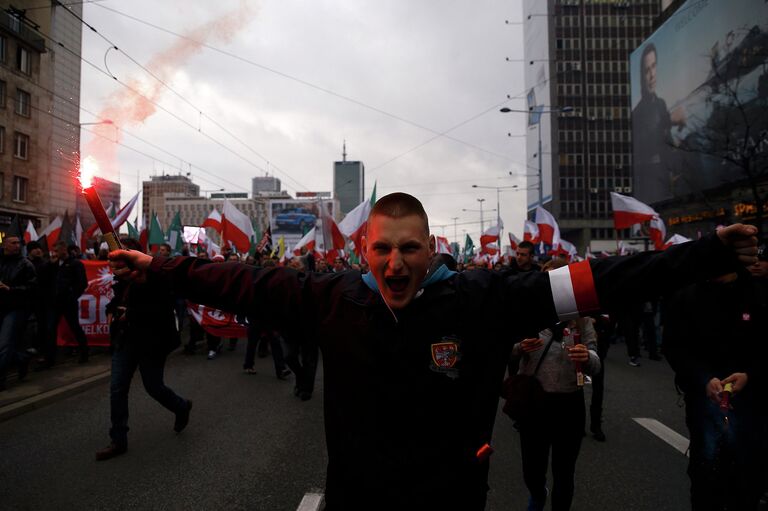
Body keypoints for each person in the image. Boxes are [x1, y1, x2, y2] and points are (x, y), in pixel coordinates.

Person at [109, 192, 757, 510]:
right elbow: (242, 281)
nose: (395, 263)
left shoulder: (484, 299)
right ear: (366, 252)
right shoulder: (333, 300)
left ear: (430, 249)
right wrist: (162, 267)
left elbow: (600, 281)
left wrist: (706, 252)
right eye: (382, 249)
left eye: (408, 249)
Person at [662, 270, 767, 509]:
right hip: (704, 399)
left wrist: (750, 375)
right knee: (706, 469)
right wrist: (703, 379)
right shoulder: (687, 294)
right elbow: (674, 346)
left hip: (752, 398)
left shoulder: (758, 292)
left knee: (749, 470)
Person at [512, 257, 601, 510]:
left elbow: (596, 361)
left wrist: (587, 357)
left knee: (564, 473)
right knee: (532, 470)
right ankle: (538, 493)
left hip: (568, 404)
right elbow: (506, 352)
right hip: (534, 404)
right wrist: (519, 348)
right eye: (548, 280)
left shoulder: (581, 318)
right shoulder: (526, 313)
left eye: (559, 280)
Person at [96, 238, 192, 461]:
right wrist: (113, 308)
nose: (117, 261)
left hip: (152, 341)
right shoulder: (121, 276)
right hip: (126, 340)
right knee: (117, 388)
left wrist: (131, 313)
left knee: (153, 387)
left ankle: (180, 407)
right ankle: (118, 440)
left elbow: (162, 308)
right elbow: (120, 299)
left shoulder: (156, 275)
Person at [632, 42, 686, 202]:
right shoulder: (637, 113)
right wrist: (669, 120)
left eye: (654, 66)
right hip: (651, 182)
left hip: (666, 175)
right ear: (642, 75)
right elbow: (644, 146)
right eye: (647, 70)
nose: (652, 74)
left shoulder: (661, 103)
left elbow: (666, 140)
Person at [0, 234, 35, 391]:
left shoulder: (25, 264)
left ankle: (1, 378)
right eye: (13, 243)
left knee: (5, 344)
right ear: (5, 244)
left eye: (18, 243)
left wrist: (11, 289)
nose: (16, 245)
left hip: (15, 308)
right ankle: (22, 359)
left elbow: (33, 288)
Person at [48, 240, 89, 364]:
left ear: (63, 250)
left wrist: (72, 295)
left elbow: (82, 283)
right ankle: (50, 358)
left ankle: (84, 352)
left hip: (68, 302)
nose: (54, 253)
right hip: (55, 302)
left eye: (56, 251)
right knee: (50, 329)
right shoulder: (54, 265)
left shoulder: (75, 264)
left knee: (74, 327)